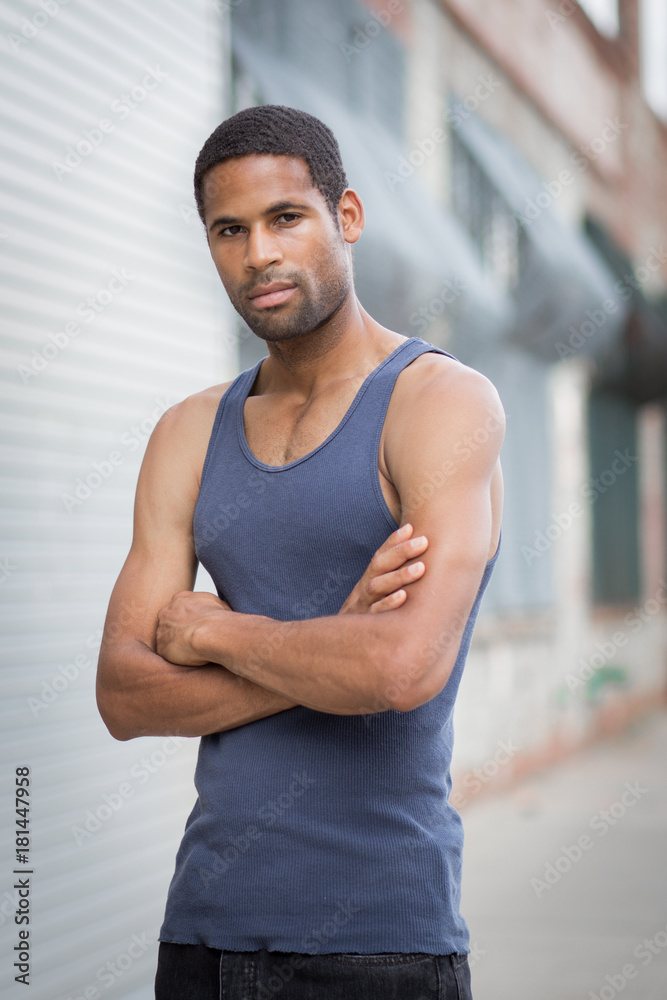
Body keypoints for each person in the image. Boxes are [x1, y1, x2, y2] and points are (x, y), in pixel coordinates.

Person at [96, 104, 504, 1000]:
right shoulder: (188, 432)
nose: (259, 256)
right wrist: (332, 640)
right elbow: (122, 695)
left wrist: (215, 632)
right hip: (202, 933)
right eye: (228, 231)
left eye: (287, 218)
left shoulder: (437, 404)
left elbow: (398, 670)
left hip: (382, 943)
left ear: (345, 218)